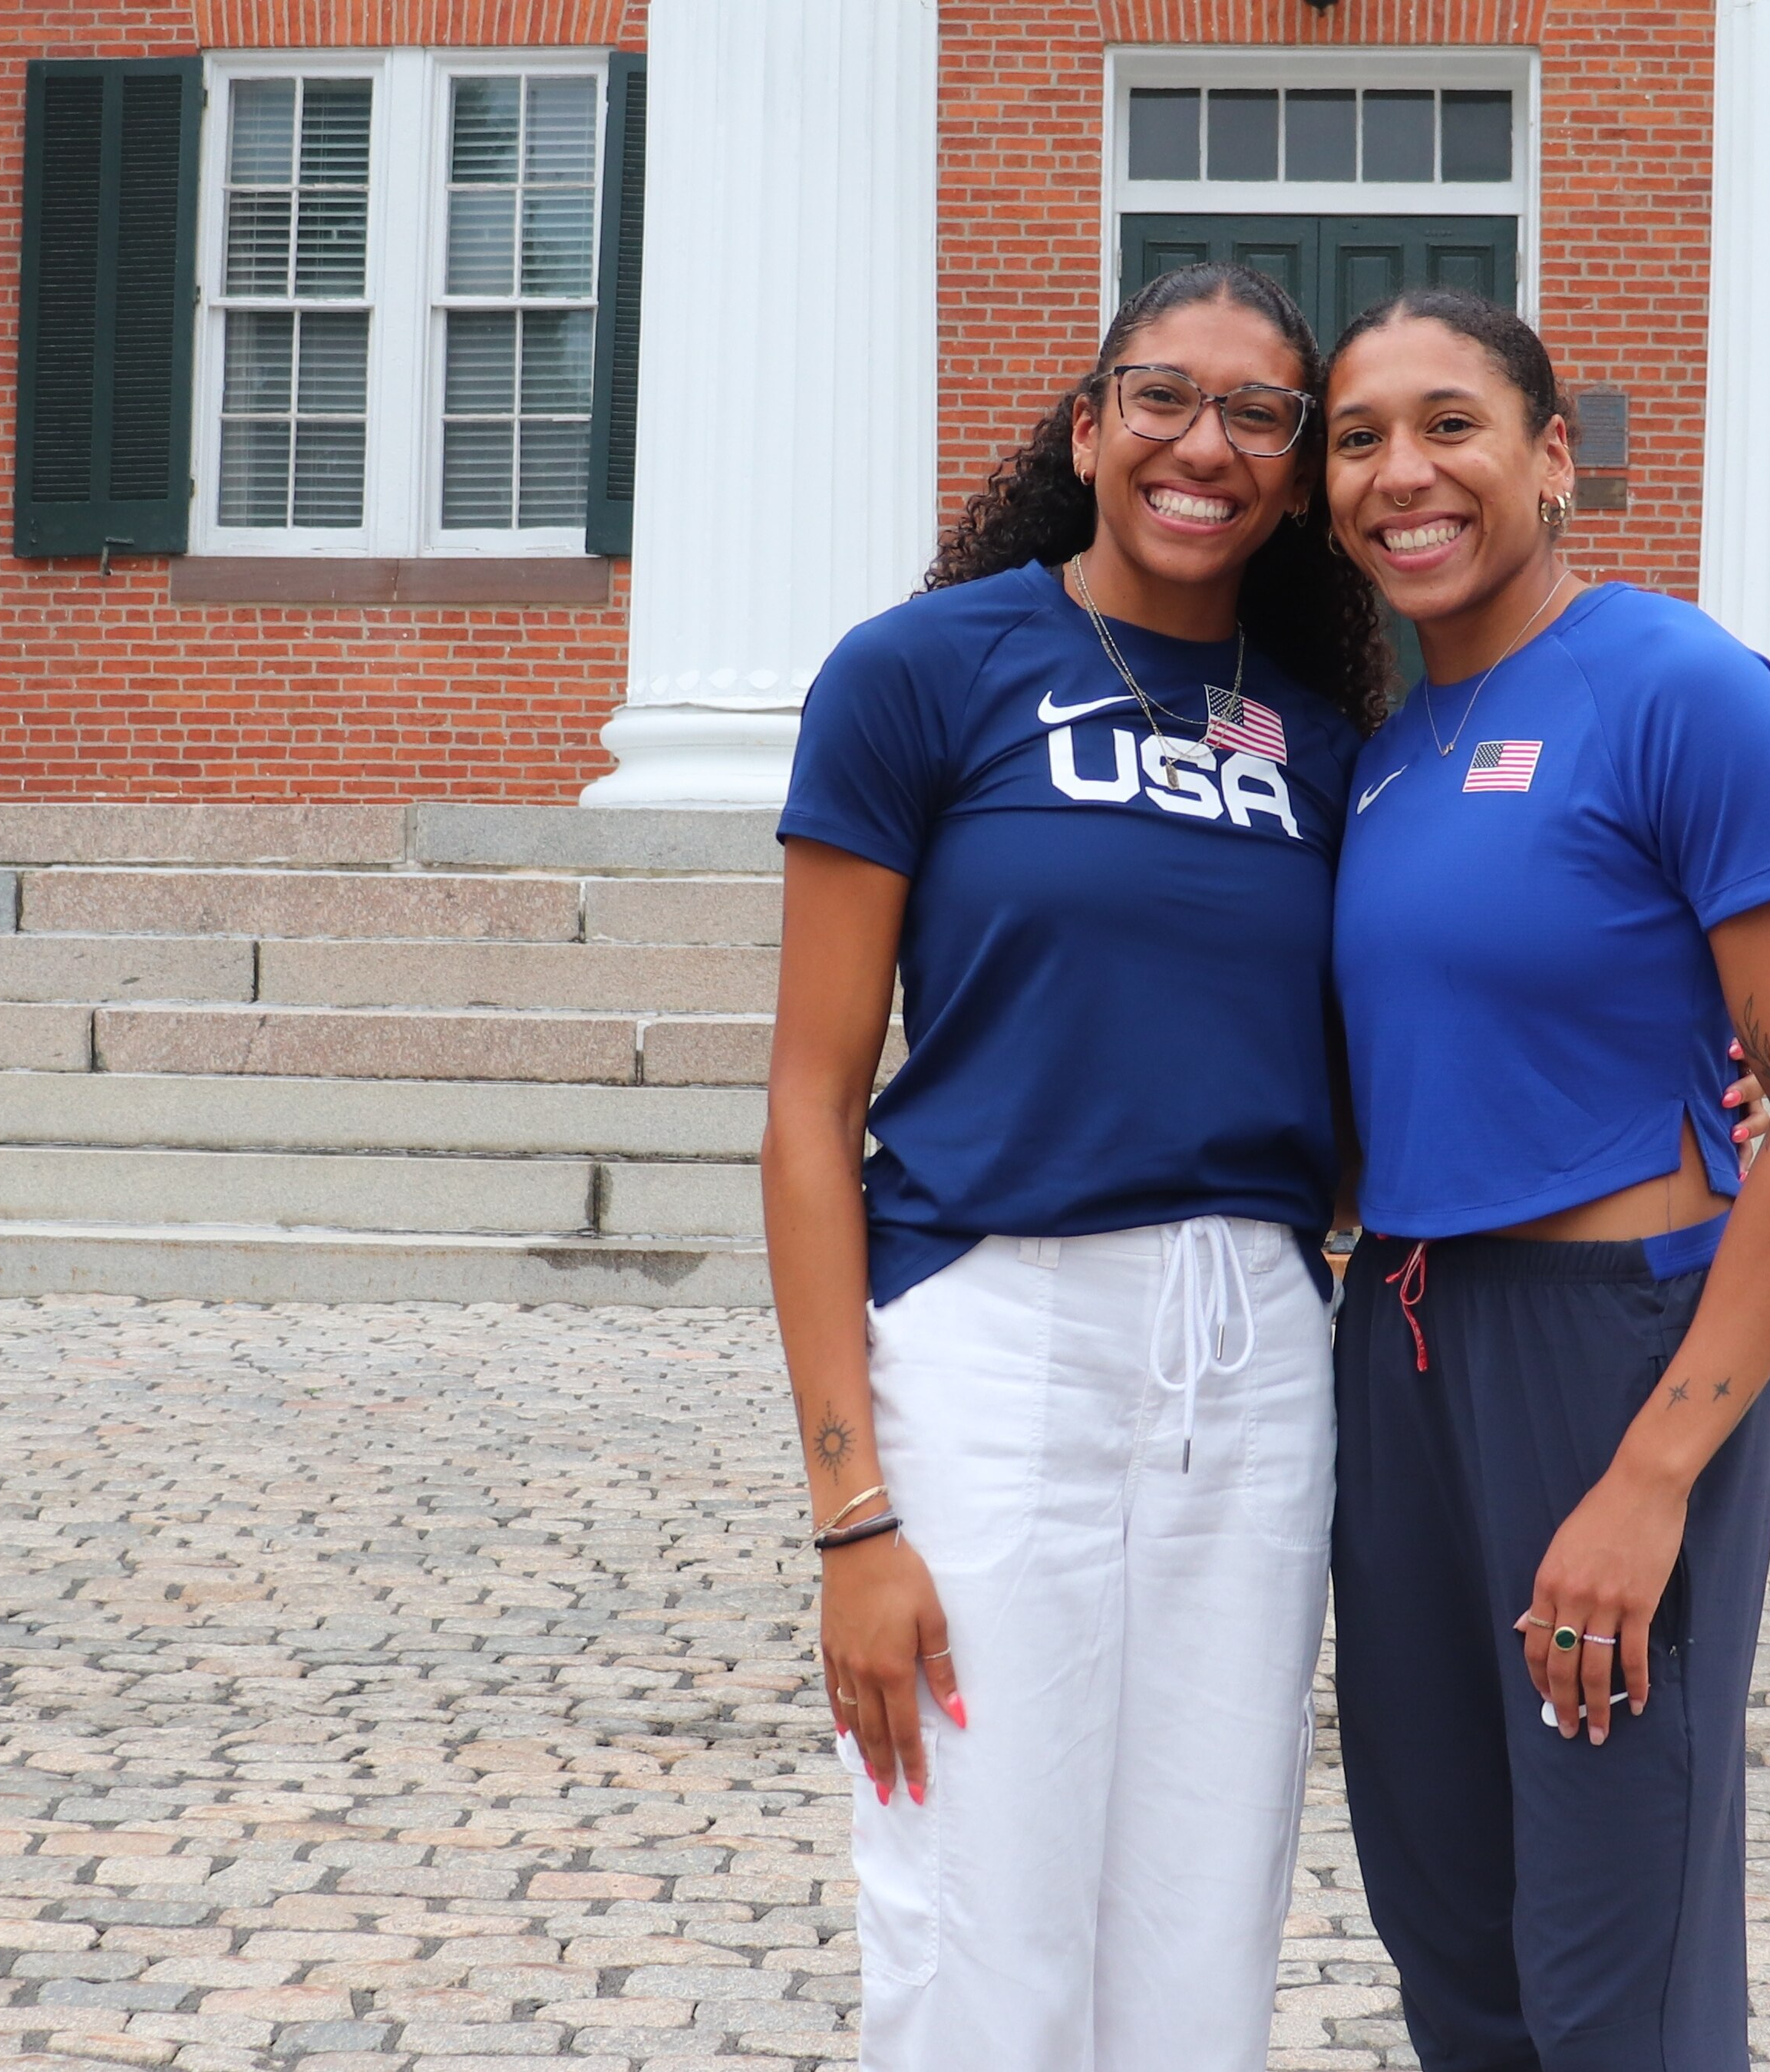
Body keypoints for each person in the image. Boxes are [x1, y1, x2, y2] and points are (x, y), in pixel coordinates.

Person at [761, 262, 1389, 2071]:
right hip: (992, 1329)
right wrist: (852, 1513)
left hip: (1257, 1354)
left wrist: (1700, 1094)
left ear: (1291, 473)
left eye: (1260, 414)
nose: (1208, 444)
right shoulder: (920, 675)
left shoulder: (1327, 739)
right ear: (1089, 424)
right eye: (1164, 397)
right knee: (981, 1905)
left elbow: (1386, 1080)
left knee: (1204, 1912)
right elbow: (811, 1104)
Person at [1318, 288, 1770, 2071]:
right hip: (1399, 1338)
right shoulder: (1388, 746)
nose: (1401, 473)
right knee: (1450, 1931)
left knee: (1609, 1950)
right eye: (1357, 439)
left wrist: (1651, 1478)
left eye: (1450, 424)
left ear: (1555, 455)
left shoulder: (1682, 692)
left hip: (1604, 1356)